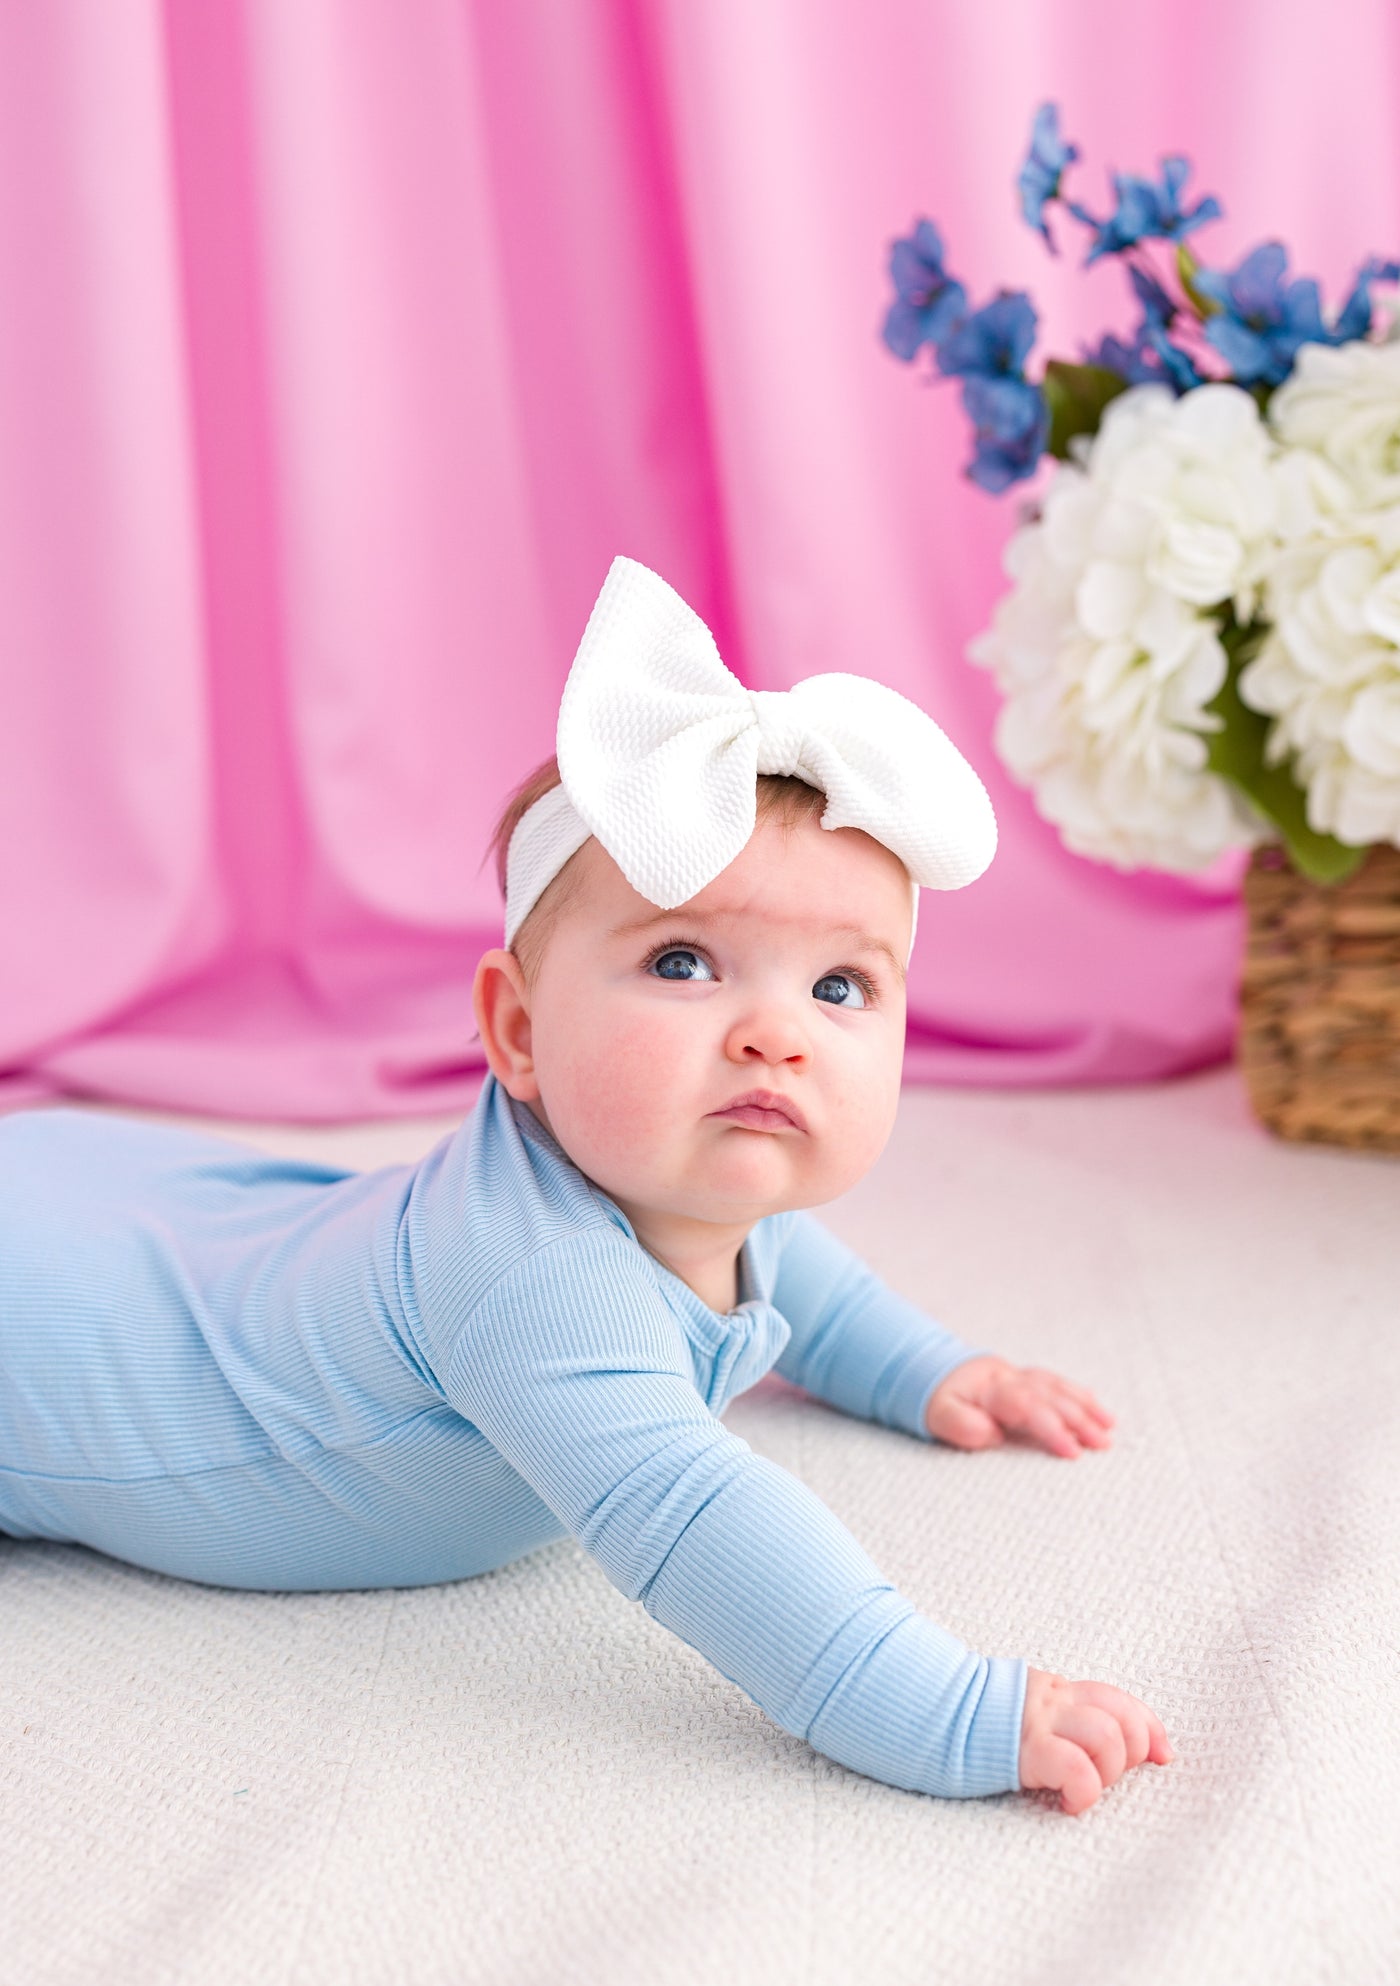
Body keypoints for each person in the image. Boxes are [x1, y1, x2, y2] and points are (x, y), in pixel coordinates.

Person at [0, 556, 1172, 1817]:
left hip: (122, 1203)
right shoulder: (533, 1281)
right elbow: (697, 1522)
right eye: (682, 961)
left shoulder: (679, 1188)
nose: (775, 1033)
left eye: (840, 988)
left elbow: (791, 1266)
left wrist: (928, 1368)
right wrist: (954, 1711)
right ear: (515, 1029)